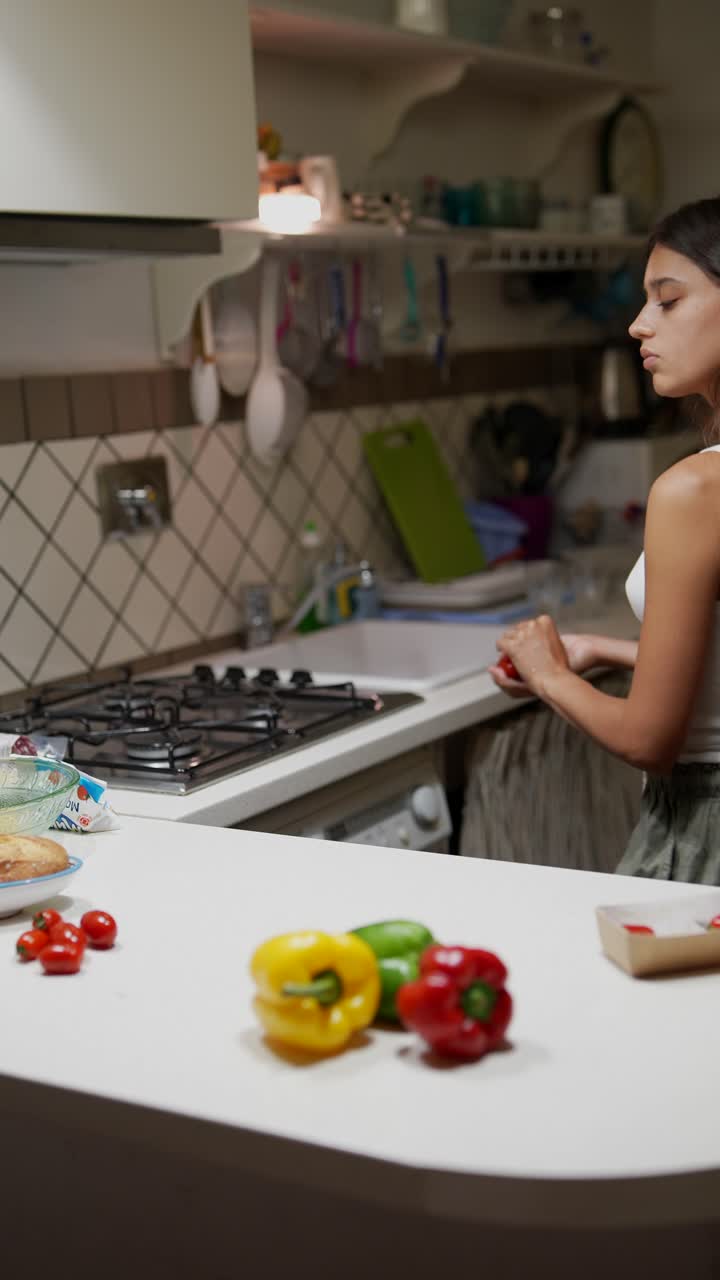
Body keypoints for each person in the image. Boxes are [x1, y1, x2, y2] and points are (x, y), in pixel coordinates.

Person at [488, 195, 720, 883]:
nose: (638, 324)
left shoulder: (693, 492)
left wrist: (548, 672)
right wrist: (605, 649)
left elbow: (651, 739)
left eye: (668, 301)